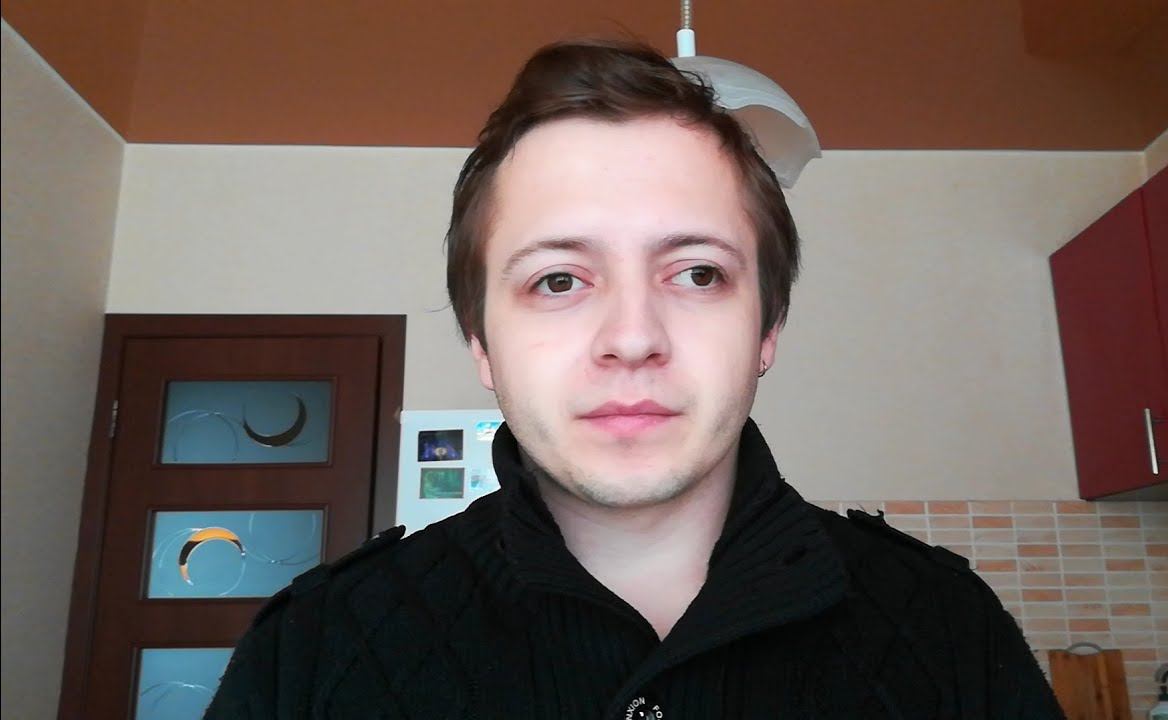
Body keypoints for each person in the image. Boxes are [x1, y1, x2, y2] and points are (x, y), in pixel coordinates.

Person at [205, 39, 1064, 719]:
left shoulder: (947, 626)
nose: (632, 339)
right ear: (482, 344)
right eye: (558, 280)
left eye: (697, 274)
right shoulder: (312, 649)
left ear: (766, 329)